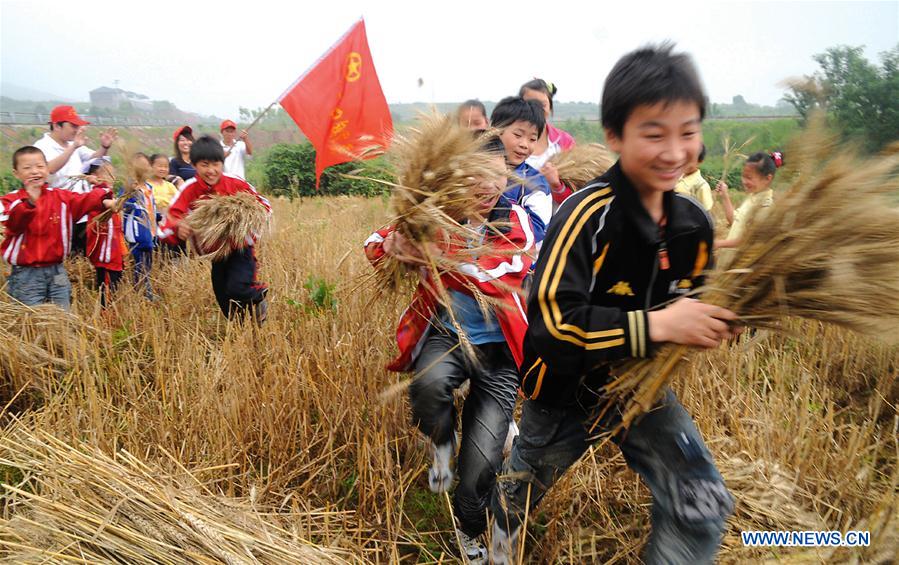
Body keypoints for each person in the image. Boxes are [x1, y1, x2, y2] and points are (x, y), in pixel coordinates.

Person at [489, 44, 740, 565]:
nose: (674, 151)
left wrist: (719, 318)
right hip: (562, 391)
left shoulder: (693, 223)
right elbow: (554, 324)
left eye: (687, 132)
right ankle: (491, 550)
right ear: (615, 137)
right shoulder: (587, 214)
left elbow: (695, 295)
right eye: (654, 133)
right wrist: (663, 322)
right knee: (518, 497)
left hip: (638, 388)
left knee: (704, 504)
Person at [364, 141, 533, 563]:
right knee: (428, 388)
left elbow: (498, 270)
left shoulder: (516, 222)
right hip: (447, 336)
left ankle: (469, 528)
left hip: (499, 354)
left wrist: (440, 257)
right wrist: (391, 247)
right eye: (478, 176)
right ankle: (441, 441)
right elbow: (374, 240)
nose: (489, 186)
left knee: (481, 466)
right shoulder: (434, 216)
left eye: (499, 176)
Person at [158, 135, 271, 321]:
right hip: (215, 253)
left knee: (238, 287)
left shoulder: (235, 183)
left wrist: (246, 220)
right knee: (224, 300)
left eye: (216, 164)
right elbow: (170, 218)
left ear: (222, 163)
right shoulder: (189, 189)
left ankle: (257, 299)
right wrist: (179, 227)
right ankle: (240, 328)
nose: (211, 170)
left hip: (240, 248)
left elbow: (264, 205)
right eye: (205, 165)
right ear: (194, 166)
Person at [1, 146, 114, 310]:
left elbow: (87, 200)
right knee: (31, 318)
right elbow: (13, 225)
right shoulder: (11, 200)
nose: (34, 171)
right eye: (27, 168)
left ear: (47, 169)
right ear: (16, 173)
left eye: (40, 166)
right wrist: (29, 203)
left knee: (62, 314)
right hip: (26, 274)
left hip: (57, 270)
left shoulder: (61, 197)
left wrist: (103, 192)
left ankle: (62, 335)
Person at [33, 105, 118, 256]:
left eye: (77, 126)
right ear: (57, 125)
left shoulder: (73, 144)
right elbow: (48, 169)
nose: (76, 129)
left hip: (81, 204)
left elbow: (93, 157)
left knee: (87, 249)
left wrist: (104, 147)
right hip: (60, 207)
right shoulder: (41, 147)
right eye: (72, 125)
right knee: (69, 251)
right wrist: (73, 148)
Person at [490, 96, 552, 250]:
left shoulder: (536, 184)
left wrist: (502, 214)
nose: (524, 145)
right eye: (518, 135)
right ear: (495, 131)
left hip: (515, 265)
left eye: (532, 139)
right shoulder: (473, 169)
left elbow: (537, 228)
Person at [520, 79, 576, 206]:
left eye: (543, 104)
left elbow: (577, 194)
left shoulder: (564, 142)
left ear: (550, 107)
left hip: (559, 222)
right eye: (531, 104)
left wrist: (556, 185)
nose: (537, 110)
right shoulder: (509, 142)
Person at [714, 151, 783, 251]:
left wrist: (720, 243)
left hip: (740, 264)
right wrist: (725, 195)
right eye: (743, 176)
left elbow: (748, 239)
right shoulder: (752, 197)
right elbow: (733, 220)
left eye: (749, 177)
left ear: (767, 178)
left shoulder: (765, 207)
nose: (744, 181)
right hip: (728, 260)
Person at [83, 158, 126, 308]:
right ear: (98, 176)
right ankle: (106, 317)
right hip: (106, 255)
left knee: (111, 286)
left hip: (113, 252)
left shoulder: (108, 193)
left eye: (113, 175)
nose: (113, 178)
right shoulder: (99, 194)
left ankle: (109, 314)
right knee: (108, 288)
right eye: (109, 175)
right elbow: (111, 205)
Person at [122, 156, 158, 300]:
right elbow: (122, 205)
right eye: (143, 166)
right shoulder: (129, 187)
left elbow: (151, 208)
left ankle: (146, 290)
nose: (146, 169)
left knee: (147, 264)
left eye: (147, 166)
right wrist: (130, 195)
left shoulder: (149, 187)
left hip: (150, 231)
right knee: (139, 264)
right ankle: (142, 293)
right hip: (137, 233)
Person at [675, 143, 714, 210]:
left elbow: (706, 213)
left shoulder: (701, 186)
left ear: (700, 161)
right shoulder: (675, 177)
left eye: (690, 160)